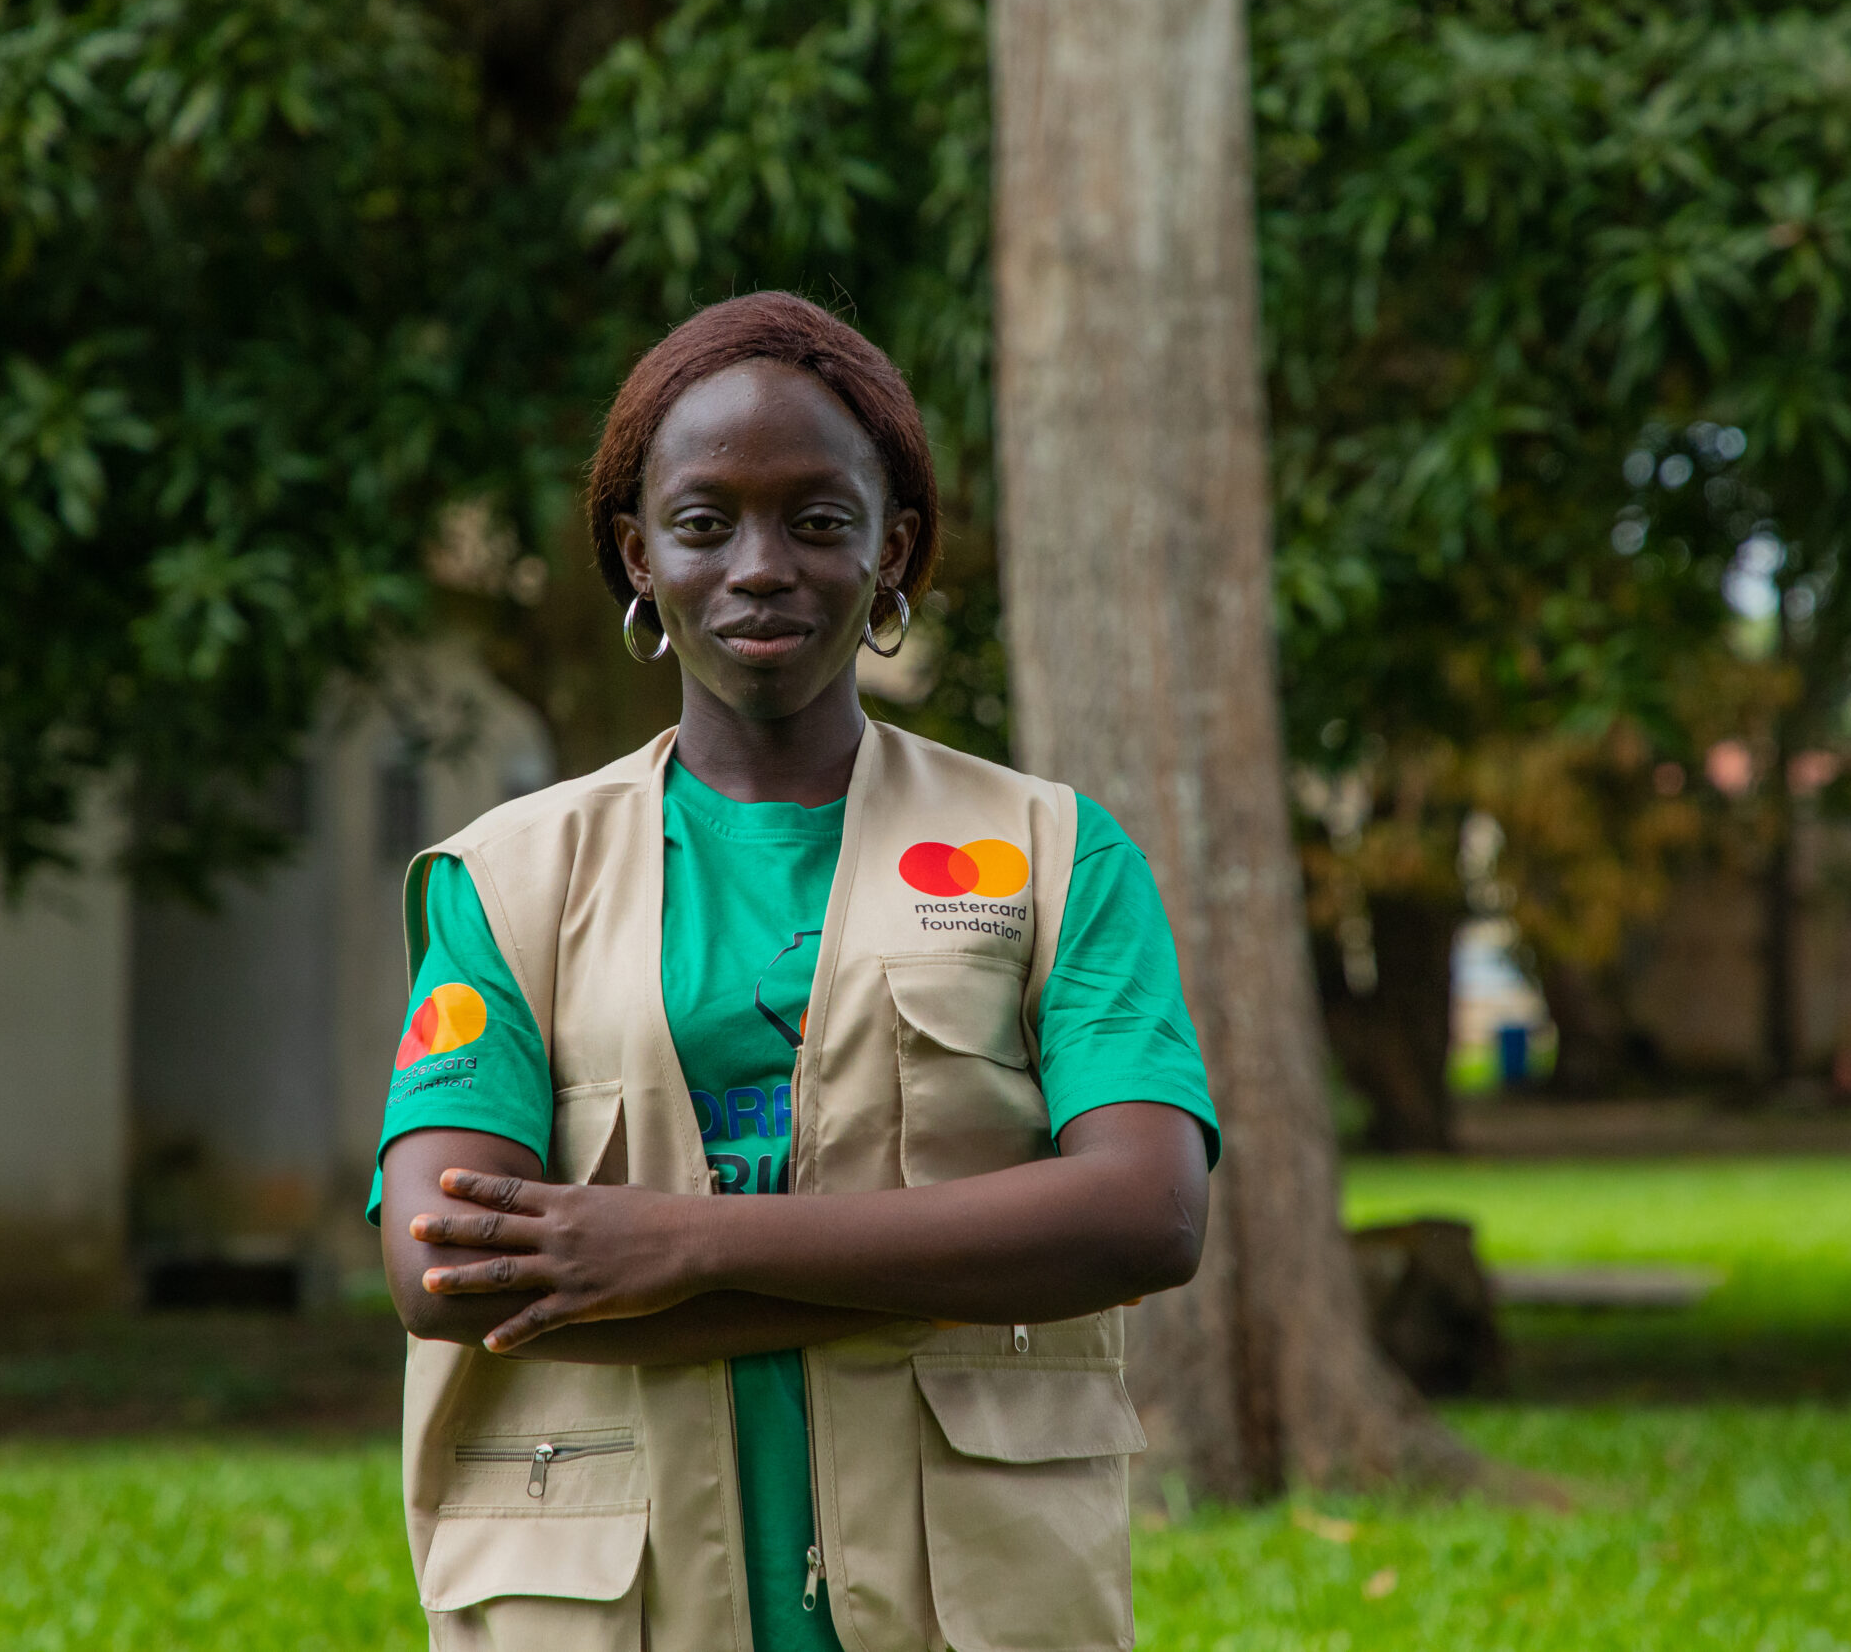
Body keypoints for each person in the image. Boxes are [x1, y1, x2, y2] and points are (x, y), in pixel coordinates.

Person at [372, 291, 1219, 1652]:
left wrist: (678, 1246)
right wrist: (966, 1259)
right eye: (705, 524)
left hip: (966, 1601)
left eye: (819, 522)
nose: (760, 566)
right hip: (616, 1602)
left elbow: (1146, 1214)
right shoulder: (508, 882)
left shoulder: (1054, 855)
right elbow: (446, 1275)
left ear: (896, 549)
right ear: (638, 554)